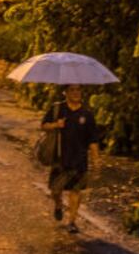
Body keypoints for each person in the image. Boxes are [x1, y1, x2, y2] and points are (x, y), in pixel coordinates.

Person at [40, 84, 101, 233]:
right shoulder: (57, 109)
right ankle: (58, 205)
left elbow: (93, 140)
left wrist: (96, 160)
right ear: (65, 93)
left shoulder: (87, 114)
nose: (76, 93)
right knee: (55, 190)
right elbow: (43, 125)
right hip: (59, 158)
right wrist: (56, 124)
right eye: (72, 90)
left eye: (78, 90)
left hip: (79, 159)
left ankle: (72, 221)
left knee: (76, 190)